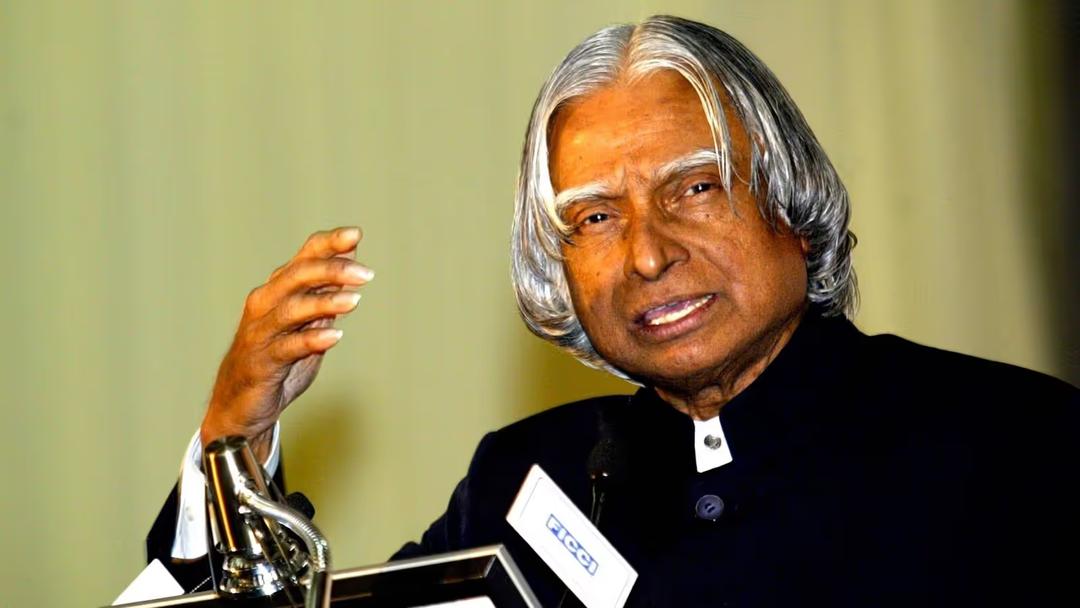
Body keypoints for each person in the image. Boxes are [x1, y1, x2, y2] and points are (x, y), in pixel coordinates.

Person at [146, 15, 1077, 606]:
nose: (646, 253)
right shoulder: (524, 483)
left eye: (695, 188)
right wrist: (235, 440)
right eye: (594, 217)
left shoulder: (1020, 445)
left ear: (791, 205)